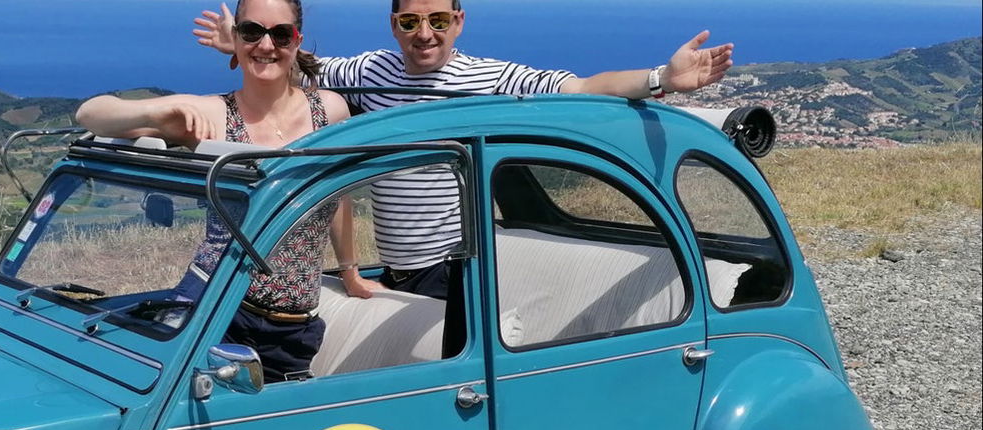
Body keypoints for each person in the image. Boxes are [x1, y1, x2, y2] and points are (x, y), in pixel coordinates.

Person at [193, 0, 734, 299]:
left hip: (458, 266)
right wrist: (242, 45)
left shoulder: (485, 78)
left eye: (438, 20)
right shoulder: (366, 73)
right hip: (396, 267)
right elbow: (294, 66)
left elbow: (581, 88)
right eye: (409, 21)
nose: (423, 33)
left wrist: (663, 76)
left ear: (459, 21)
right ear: (394, 25)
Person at [77, 0, 352, 381]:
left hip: (294, 325)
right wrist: (156, 113)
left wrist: (350, 271)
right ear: (236, 40)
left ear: (296, 40)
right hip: (216, 307)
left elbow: (338, 196)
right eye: (252, 32)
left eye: (280, 33)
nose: (266, 44)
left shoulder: (331, 112)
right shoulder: (212, 114)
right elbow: (91, 113)